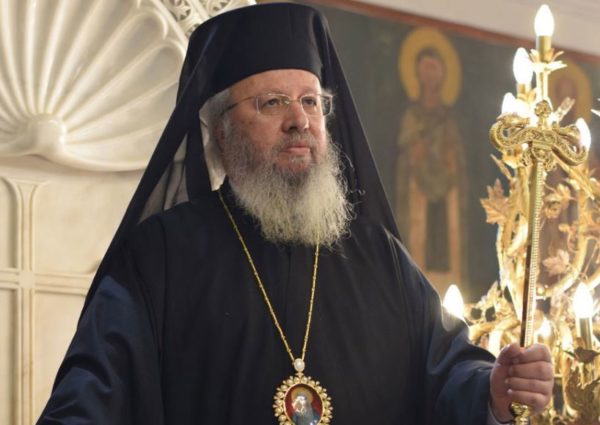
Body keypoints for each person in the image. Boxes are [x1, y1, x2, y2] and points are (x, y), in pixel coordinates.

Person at [37, 3, 553, 424]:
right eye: (272, 103)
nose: (299, 121)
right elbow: (91, 400)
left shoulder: (380, 258)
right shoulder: (160, 257)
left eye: (311, 101)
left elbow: (447, 373)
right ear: (222, 132)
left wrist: (492, 391)